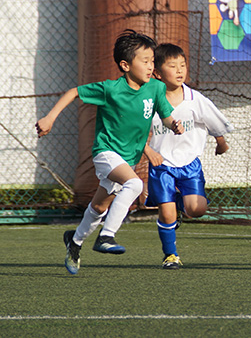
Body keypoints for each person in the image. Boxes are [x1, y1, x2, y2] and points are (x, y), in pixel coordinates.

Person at [35, 29, 184, 275]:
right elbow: (74, 92)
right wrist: (50, 117)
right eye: (145, 61)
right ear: (125, 65)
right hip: (106, 153)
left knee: (99, 207)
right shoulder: (110, 89)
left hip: (128, 159)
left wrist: (173, 125)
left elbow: (166, 116)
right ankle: (106, 236)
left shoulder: (156, 88)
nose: (150, 66)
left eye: (152, 61)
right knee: (135, 185)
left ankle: (75, 242)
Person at [143, 43, 233, 270]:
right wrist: (148, 151)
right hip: (162, 164)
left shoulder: (195, 99)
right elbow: (138, 132)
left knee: (196, 209)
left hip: (189, 165)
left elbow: (215, 123)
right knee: (165, 210)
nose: (179, 70)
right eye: (172, 66)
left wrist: (221, 143)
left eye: (182, 65)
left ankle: (181, 205)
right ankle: (170, 255)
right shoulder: (149, 100)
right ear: (158, 73)